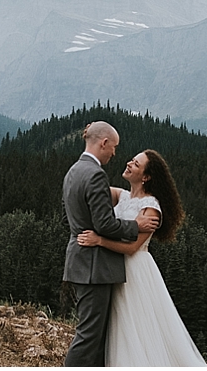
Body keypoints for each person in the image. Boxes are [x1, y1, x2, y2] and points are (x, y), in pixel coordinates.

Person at [77, 149, 207, 366]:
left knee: (134, 325)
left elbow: (132, 248)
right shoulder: (123, 196)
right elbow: (94, 188)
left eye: (136, 164)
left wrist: (99, 241)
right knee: (120, 326)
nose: (129, 163)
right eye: (132, 160)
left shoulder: (151, 208)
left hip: (135, 271)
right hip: (116, 268)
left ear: (146, 177)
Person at [62, 122, 160, 367]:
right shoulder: (95, 174)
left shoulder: (75, 170)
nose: (116, 154)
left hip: (83, 261)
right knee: (89, 336)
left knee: (99, 335)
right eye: (114, 147)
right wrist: (135, 225)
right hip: (95, 266)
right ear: (104, 143)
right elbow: (105, 224)